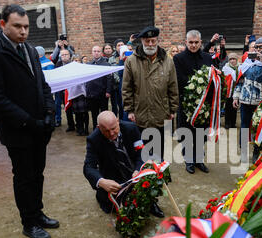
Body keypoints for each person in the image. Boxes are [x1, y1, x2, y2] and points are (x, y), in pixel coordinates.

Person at [0, 4, 59, 238]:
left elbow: (42, 84)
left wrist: (48, 112)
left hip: (39, 126)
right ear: (3, 25)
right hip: (17, 130)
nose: (23, 31)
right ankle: (29, 222)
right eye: (17, 26)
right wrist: (28, 122)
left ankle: (38, 212)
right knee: (24, 176)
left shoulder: (31, 50)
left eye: (26, 27)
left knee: (38, 173)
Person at [83, 111, 164, 217]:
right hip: (114, 178)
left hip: (133, 169)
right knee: (124, 208)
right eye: (106, 131)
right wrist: (102, 182)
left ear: (117, 121)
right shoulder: (93, 139)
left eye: (113, 128)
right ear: (99, 127)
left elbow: (141, 152)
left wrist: (138, 169)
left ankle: (150, 202)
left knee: (155, 163)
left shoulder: (131, 128)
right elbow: (88, 167)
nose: (111, 134)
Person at [122, 26, 179, 162]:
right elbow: (126, 88)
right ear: (142, 41)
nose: (150, 44)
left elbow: (173, 86)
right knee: (142, 150)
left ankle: (159, 175)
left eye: (153, 41)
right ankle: (145, 177)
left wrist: (173, 109)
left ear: (157, 40)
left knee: (159, 149)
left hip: (161, 111)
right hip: (140, 113)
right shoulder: (132, 61)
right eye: (147, 41)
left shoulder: (167, 60)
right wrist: (129, 110)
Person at [232, 37, 262, 162]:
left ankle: (256, 153)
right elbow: (240, 81)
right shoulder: (247, 62)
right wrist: (236, 96)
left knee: (259, 128)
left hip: (261, 103)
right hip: (245, 101)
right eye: (256, 47)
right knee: (244, 127)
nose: (258, 49)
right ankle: (243, 153)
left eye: (261, 47)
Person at [173, 30, 213, 174]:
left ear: (201, 42)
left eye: (196, 42)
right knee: (187, 133)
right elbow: (179, 79)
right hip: (187, 103)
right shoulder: (178, 58)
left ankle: (199, 160)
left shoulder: (208, 57)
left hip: (204, 104)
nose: (194, 45)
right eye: (191, 42)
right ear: (186, 42)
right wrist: (196, 85)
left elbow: (212, 76)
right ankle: (189, 160)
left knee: (201, 134)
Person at [86, 45, 112, 131]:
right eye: (94, 51)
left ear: (101, 53)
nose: (96, 53)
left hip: (103, 93)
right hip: (92, 94)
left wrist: (108, 91)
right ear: (92, 53)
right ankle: (95, 129)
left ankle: (105, 129)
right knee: (94, 113)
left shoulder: (106, 64)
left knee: (104, 113)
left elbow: (109, 79)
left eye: (98, 51)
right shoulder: (89, 64)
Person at [55, 49, 76, 132]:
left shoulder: (73, 64)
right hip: (63, 90)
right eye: (62, 55)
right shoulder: (58, 64)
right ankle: (71, 125)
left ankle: (78, 124)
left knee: (76, 108)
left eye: (66, 54)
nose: (64, 56)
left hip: (73, 89)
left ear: (69, 55)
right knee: (67, 108)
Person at [222, 53, 240, 129]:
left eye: (234, 59)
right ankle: (227, 123)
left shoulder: (240, 67)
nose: (232, 61)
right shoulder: (225, 68)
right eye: (231, 59)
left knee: (234, 108)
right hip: (229, 91)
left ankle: (233, 123)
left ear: (236, 60)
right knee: (228, 107)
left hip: (237, 91)